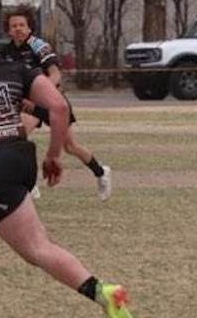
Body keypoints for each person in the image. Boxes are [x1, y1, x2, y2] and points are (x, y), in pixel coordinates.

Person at [0, 58, 134, 317]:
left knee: (36, 249)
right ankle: (102, 292)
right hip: (18, 158)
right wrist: (53, 156)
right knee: (38, 248)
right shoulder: (15, 68)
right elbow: (59, 107)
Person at [1, 5, 112, 201]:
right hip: (30, 107)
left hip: (52, 103)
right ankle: (29, 184)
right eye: (14, 25)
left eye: (22, 25)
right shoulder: (6, 51)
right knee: (19, 134)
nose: (18, 28)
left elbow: (55, 74)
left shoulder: (38, 46)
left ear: (30, 27)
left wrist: (40, 93)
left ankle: (101, 172)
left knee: (70, 147)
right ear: (8, 30)